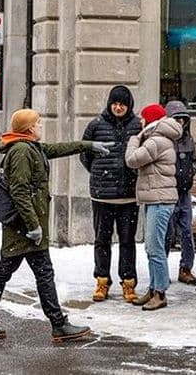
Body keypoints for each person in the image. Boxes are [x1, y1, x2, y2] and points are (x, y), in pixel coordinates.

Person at [0, 109, 109, 342]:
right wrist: (33, 225)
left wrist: (88, 145)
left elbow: (55, 149)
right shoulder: (21, 151)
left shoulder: (31, 147)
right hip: (25, 228)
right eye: (37, 124)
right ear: (28, 128)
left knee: (15, 271)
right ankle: (57, 324)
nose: (40, 126)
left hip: (26, 227)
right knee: (34, 273)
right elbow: (19, 191)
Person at [80, 85, 142, 303]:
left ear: (129, 105)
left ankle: (128, 283)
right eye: (115, 103)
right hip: (102, 195)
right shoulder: (96, 125)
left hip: (128, 196)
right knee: (102, 239)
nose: (118, 107)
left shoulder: (138, 125)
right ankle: (102, 280)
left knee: (127, 240)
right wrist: (100, 174)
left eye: (122, 104)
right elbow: (85, 154)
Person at [125, 104, 182, 310]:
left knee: (155, 248)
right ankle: (153, 288)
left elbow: (131, 160)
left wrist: (133, 140)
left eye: (143, 119)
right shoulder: (158, 139)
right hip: (156, 199)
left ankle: (160, 293)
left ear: (150, 121)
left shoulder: (156, 141)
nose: (140, 122)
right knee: (151, 248)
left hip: (160, 200)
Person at [164, 101, 196, 286]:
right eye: (177, 119)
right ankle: (162, 270)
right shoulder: (163, 139)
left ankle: (186, 268)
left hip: (184, 193)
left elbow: (193, 161)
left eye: (183, 120)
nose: (181, 123)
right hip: (168, 192)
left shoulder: (188, 140)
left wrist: (189, 174)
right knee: (167, 233)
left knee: (186, 232)